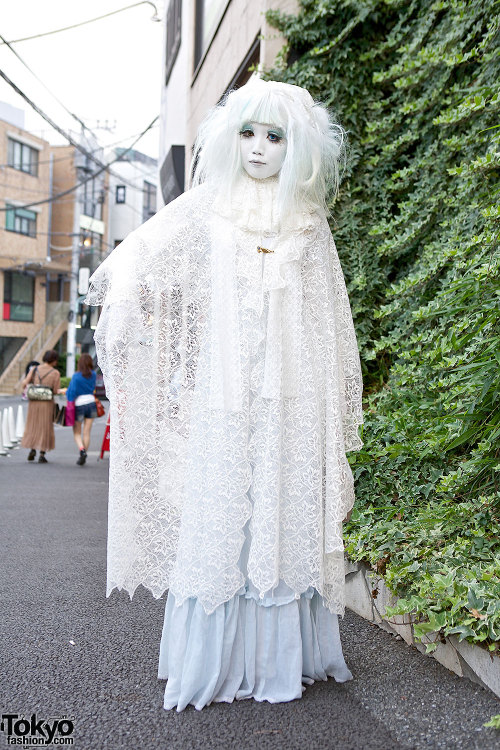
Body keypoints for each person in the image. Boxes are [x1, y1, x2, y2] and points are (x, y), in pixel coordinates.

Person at [86, 77, 364, 711]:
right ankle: (213, 661)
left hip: (290, 400)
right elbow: (144, 250)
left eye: (275, 137)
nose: (260, 149)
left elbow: (328, 321)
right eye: (248, 133)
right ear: (227, 138)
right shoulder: (207, 207)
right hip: (224, 396)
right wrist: (125, 301)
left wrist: (326, 401)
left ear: (300, 149)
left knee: (280, 510)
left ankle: (279, 660)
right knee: (220, 515)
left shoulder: (309, 223)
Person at [21, 349, 66, 463]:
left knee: (33, 425)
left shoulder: (35, 369)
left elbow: (24, 383)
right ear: (54, 360)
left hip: (34, 402)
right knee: (45, 427)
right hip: (47, 403)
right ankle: (42, 453)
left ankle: (32, 449)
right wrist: (62, 391)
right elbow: (55, 391)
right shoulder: (55, 373)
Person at [66, 353, 98, 466]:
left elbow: (72, 392)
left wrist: (68, 397)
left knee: (77, 432)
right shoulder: (93, 374)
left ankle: (81, 450)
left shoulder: (76, 376)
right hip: (91, 403)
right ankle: (84, 453)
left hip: (79, 404)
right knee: (87, 432)